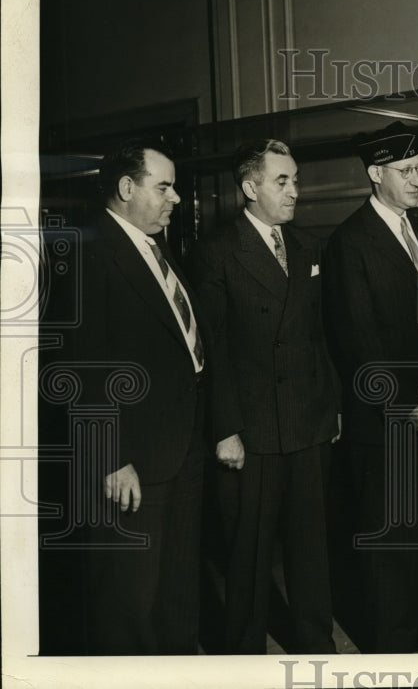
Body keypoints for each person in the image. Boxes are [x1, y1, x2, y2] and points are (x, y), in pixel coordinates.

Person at [323, 121, 418, 654]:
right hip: (389, 415)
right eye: (407, 171)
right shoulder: (351, 241)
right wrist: (405, 403)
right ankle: (392, 644)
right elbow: (357, 340)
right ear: (375, 174)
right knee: (389, 534)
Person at [189, 139, 340, 654]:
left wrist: (332, 404)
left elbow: (320, 335)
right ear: (250, 188)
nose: (295, 190)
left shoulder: (305, 247)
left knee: (311, 554)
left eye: (296, 179)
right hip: (251, 433)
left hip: (307, 423)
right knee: (248, 560)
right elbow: (212, 349)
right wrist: (225, 429)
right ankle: (244, 660)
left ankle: (318, 649)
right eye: (283, 181)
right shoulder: (216, 251)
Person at [74, 140, 206, 654]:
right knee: (128, 601)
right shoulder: (89, 250)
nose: (175, 199)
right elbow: (81, 367)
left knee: (177, 590)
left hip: (179, 447)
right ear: (127, 188)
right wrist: (112, 458)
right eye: (164, 187)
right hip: (132, 461)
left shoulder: (155, 247)